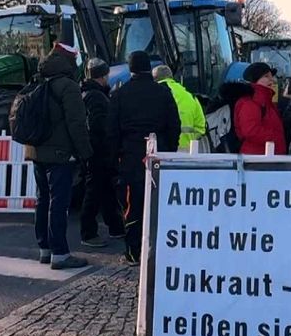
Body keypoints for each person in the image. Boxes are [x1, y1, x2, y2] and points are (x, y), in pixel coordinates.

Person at [108, 50, 180, 265]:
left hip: (131, 158)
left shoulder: (120, 94)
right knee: (160, 205)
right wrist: (169, 151)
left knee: (134, 206)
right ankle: (160, 250)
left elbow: (112, 131)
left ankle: (133, 252)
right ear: (149, 67)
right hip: (159, 155)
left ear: (130, 69)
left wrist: (114, 160)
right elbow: (173, 126)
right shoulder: (164, 93)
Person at [28, 42, 93, 270]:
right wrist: (85, 153)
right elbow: (76, 124)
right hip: (59, 153)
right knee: (59, 202)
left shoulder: (38, 80)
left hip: (37, 151)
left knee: (42, 200)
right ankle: (60, 253)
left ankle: (44, 249)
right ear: (69, 60)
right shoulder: (68, 86)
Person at [79, 57, 125, 248]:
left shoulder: (86, 93)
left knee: (105, 189)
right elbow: (99, 126)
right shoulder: (97, 97)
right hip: (99, 152)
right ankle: (88, 232)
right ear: (103, 76)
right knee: (95, 189)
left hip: (94, 150)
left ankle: (115, 226)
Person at [233, 62, 287, 155]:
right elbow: (250, 130)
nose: (272, 80)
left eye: (272, 76)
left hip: (268, 157)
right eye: (266, 76)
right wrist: (275, 137)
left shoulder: (266, 101)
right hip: (257, 159)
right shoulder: (249, 103)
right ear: (254, 80)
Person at [153, 64, 205, 151]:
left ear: (155, 79)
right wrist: (189, 139)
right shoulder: (190, 96)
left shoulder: (155, 94)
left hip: (161, 149)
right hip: (187, 151)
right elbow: (201, 127)